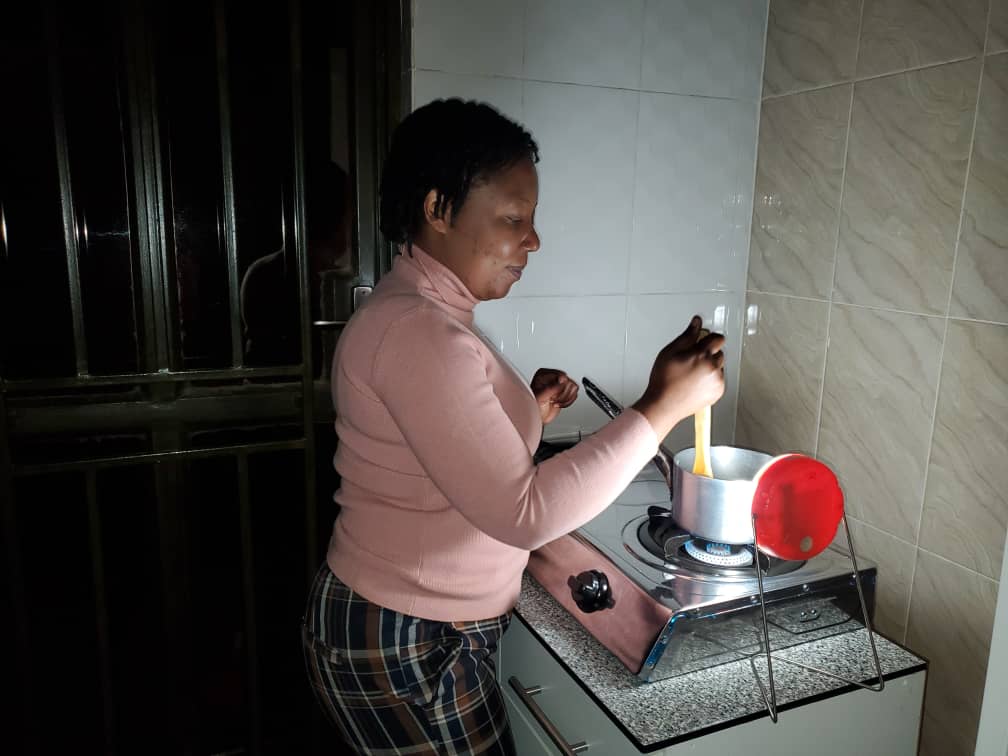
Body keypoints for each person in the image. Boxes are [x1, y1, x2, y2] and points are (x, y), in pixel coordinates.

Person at [301, 98, 725, 755]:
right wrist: (662, 406)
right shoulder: (419, 332)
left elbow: (444, 453)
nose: (532, 239)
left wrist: (528, 410)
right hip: (407, 638)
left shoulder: (423, 316)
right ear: (439, 210)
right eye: (513, 218)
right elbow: (522, 513)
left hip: (410, 620)